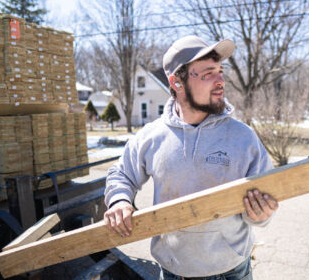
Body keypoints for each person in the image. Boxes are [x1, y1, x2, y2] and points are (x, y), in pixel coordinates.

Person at [104, 35, 279, 280]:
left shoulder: (244, 138)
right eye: (208, 74)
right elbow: (120, 173)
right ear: (177, 82)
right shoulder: (151, 137)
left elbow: (266, 202)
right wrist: (120, 201)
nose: (221, 81)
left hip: (231, 272)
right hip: (174, 273)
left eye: (220, 71)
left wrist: (261, 214)